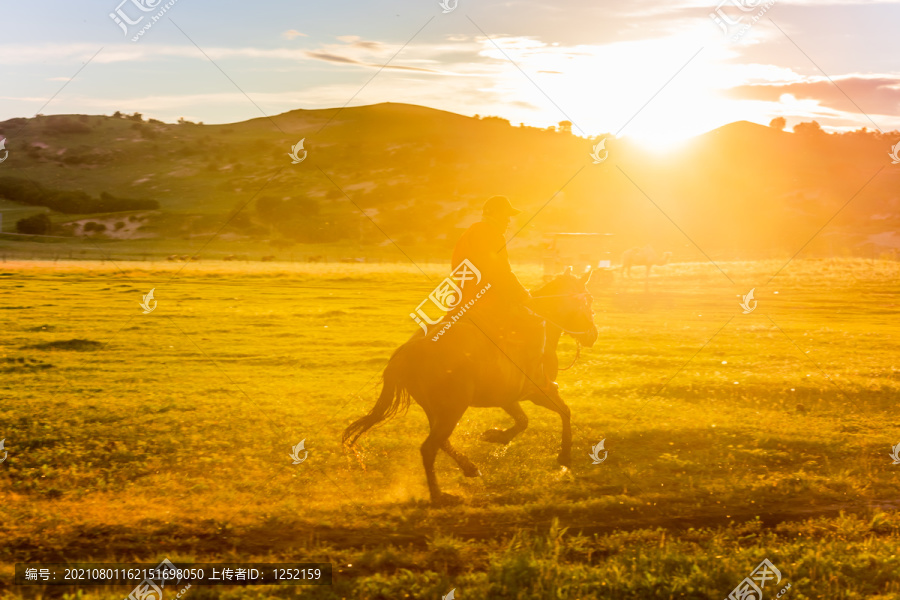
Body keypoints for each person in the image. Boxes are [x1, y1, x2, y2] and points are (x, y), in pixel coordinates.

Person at [450, 196, 552, 391]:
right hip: (488, 299)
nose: (508, 221)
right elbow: (500, 272)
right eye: (506, 216)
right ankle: (533, 381)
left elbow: (458, 267)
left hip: (461, 297)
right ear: (495, 214)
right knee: (534, 324)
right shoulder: (493, 234)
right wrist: (522, 295)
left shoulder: (470, 232)